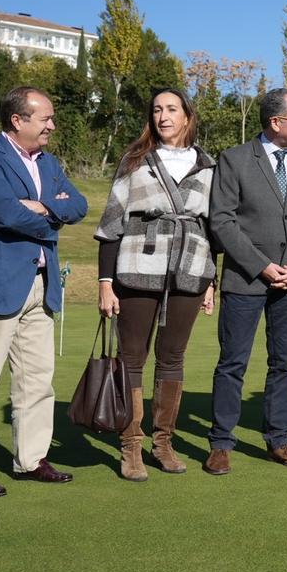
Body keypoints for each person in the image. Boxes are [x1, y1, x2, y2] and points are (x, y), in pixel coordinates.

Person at [0, 86, 88, 497]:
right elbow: (7, 215)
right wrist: (48, 212)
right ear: (18, 120)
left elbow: (78, 205)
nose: (52, 125)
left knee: (37, 382)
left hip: (40, 287)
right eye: (45, 118)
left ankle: (30, 460)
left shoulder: (50, 161)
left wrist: (43, 208)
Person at [94, 88, 217, 481]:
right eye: (157, 110)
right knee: (132, 358)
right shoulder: (135, 160)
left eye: (172, 109)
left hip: (192, 268)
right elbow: (111, 223)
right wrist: (105, 281)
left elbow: (216, 227)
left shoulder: (209, 164)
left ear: (187, 116)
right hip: (136, 266)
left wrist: (212, 280)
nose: (163, 116)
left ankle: (163, 442)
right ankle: (131, 444)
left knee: (173, 356)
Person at [203, 88, 287, 475]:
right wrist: (261, 266)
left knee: (285, 363)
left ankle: (279, 440)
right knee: (232, 363)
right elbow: (221, 221)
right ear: (277, 122)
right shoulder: (235, 160)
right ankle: (221, 443)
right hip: (245, 280)